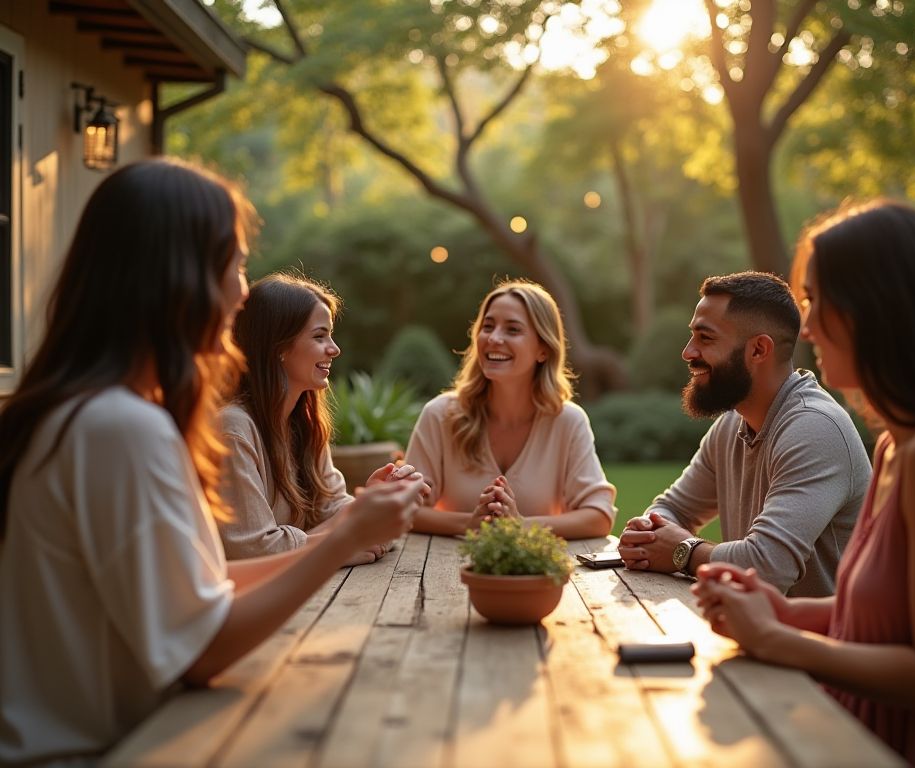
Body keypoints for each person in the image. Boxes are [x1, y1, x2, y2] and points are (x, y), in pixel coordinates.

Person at [0, 159, 421, 764]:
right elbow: (200, 651)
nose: (243, 292)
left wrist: (346, 529)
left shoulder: (89, 413)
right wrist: (343, 538)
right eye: (235, 264)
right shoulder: (119, 427)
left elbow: (208, 588)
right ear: (178, 276)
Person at [693, 201, 915, 767]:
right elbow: (892, 616)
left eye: (817, 300)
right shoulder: (897, 446)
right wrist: (783, 611)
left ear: (876, 309)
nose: (807, 326)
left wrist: (775, 639)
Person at [617, 271, 871, 597]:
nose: (688, 352)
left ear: (758, 350)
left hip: (821, 630)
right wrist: (648, 533)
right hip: (757, 625)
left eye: (705, 338)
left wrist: (684, 551)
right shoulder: (731, 423)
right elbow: (673, 509)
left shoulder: (815, 427)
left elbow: (767, 567)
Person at [218, 273, 422, 564]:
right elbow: (252, 549)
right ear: (278, 347)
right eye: (319, 336)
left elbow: (334, 510)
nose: (334, 349)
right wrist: (343, 542)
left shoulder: (304, 423)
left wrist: (375, 502)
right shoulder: (233, 429)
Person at [404, 279, 616, 539]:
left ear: (543, 349)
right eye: (488, 326)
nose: (494, 338)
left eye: (513, 330)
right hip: (442, 563)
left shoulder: (568, 421)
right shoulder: (439, 415)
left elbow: (599, 517)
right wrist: (468, 523)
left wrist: (520, 525)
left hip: (534, 563)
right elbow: (404, 508)